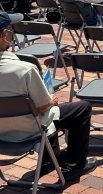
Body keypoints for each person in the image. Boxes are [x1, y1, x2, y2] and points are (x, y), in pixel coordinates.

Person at [0, 11, 97, 179]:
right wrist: (51, 101)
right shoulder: (24, 70)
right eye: (9, 29)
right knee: (81, 108)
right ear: (3, 35)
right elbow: (41, 106)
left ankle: (48, 160)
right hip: (28, 130)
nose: (11, 32)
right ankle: (74, 165)